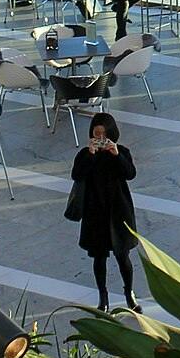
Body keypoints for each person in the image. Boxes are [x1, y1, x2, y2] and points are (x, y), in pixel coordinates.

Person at [72, 111, 140, 313]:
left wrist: (116, 155)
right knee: (99, 258)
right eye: (96, 134)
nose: (100, 138)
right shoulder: (85, 154)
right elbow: (77, 174)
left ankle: (129, 293)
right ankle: (103, 296)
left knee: (123, 257)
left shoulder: (121, 152)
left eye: (104, 134)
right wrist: (91, 155)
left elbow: (130, 173)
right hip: (96, 212)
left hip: (119, 211)